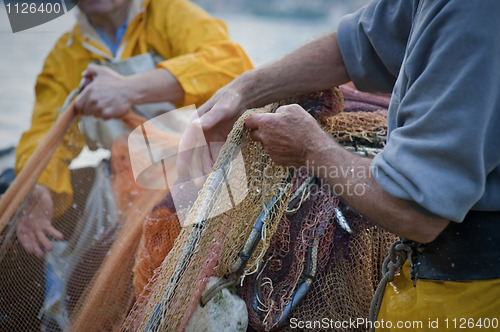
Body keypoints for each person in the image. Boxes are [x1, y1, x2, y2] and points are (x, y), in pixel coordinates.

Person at [180, 0, 500, 329]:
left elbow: (416, 212)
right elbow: (359, 42)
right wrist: (243, 90)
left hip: (472, 293)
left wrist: (311, 150)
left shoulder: (475, 13)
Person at [14, 0, 252, 258]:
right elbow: (44, 130)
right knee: (86, 273)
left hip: (200, 173)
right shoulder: (65, 55)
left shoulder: (169, 13)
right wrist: (39, 184)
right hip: (124, 190)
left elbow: (234, 68)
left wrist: (130, 89)